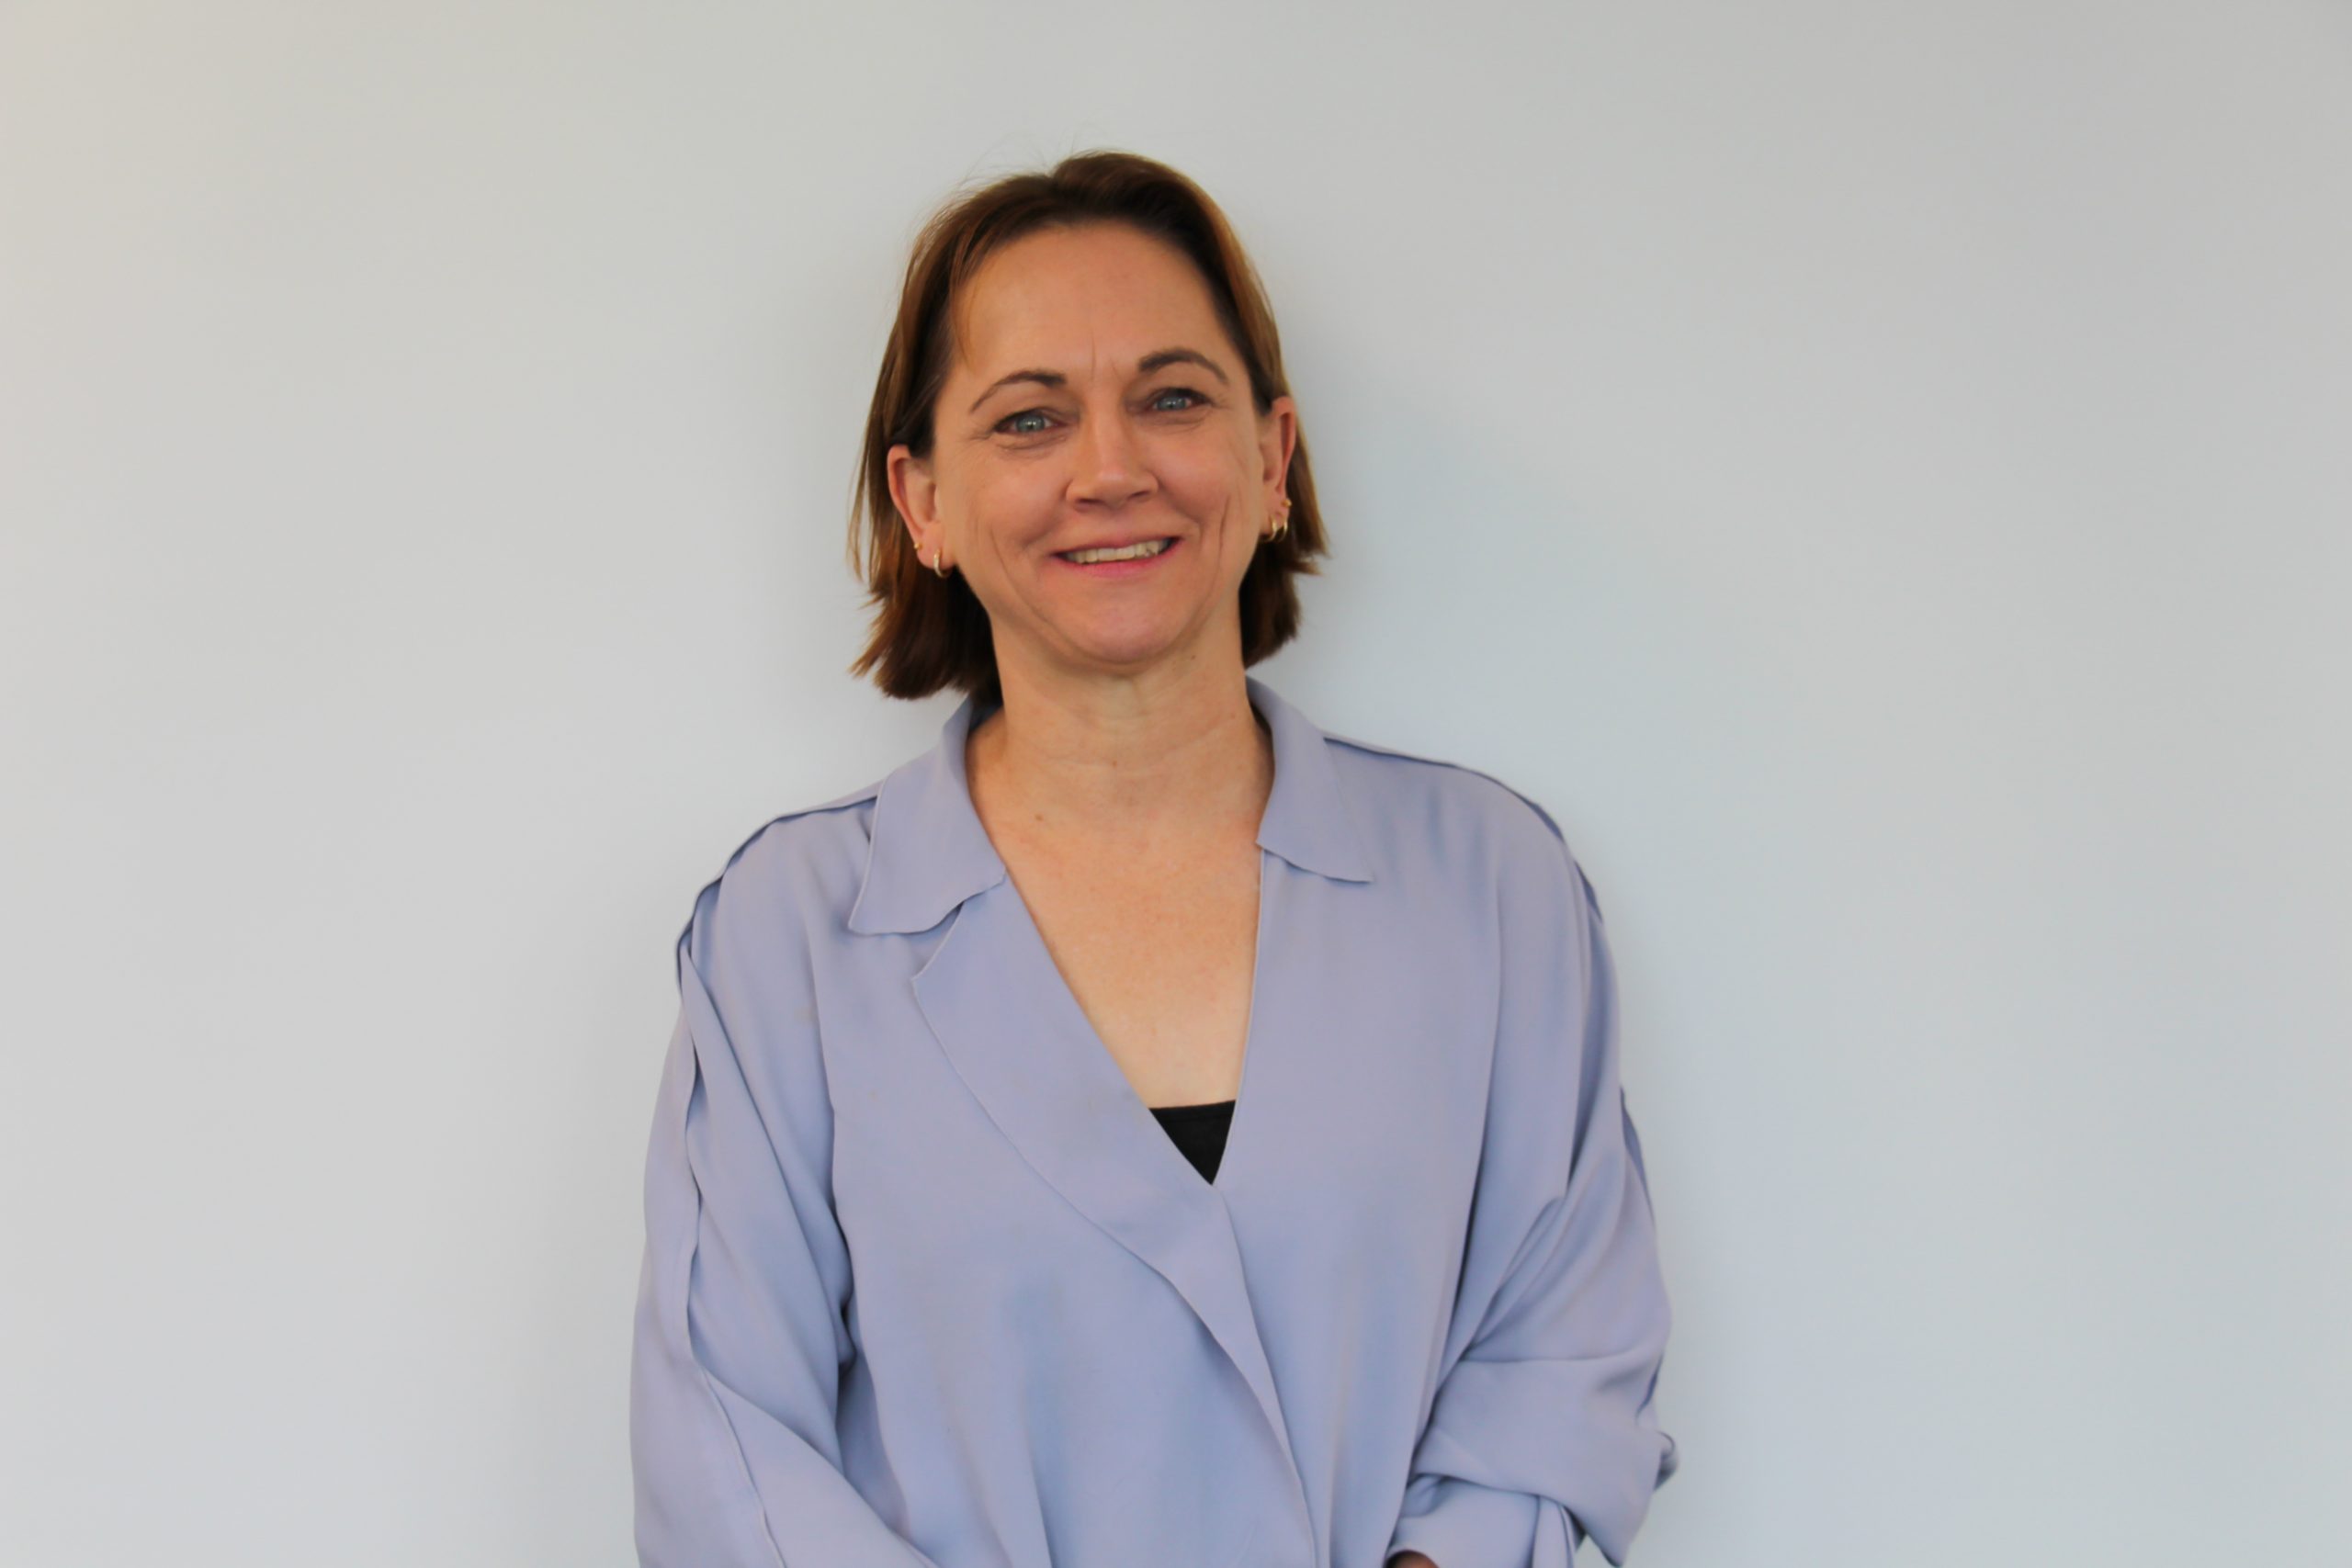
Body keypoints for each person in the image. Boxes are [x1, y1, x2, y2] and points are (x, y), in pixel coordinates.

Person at [628, 149, 1680, 1568]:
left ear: (1271, 459)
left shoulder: (1492, 890)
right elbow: (729, 1464)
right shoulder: (791, 938)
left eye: (1173, 397)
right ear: (922, 501)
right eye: (1029, 418)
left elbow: (1563, 1365)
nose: (1111, 469)